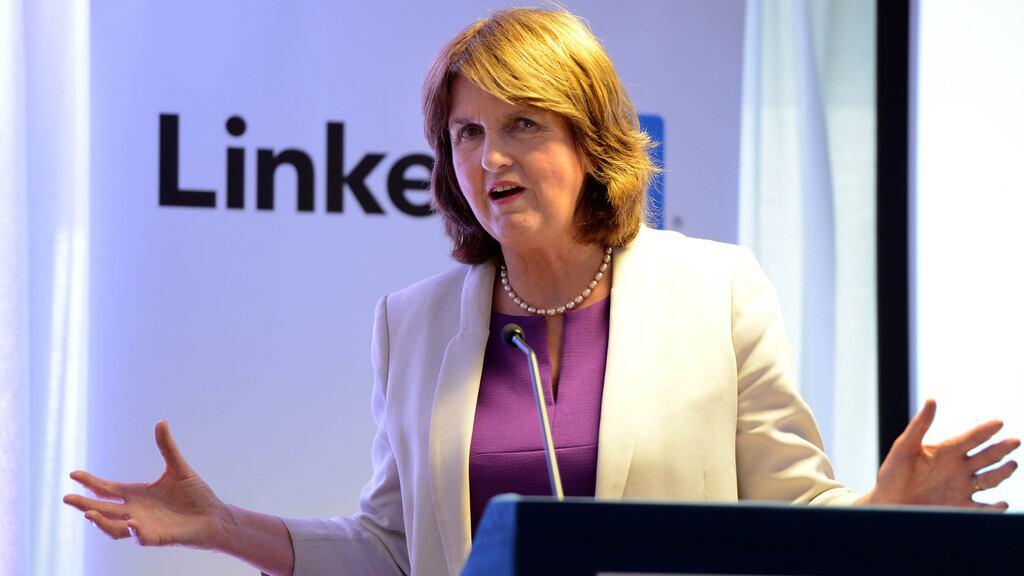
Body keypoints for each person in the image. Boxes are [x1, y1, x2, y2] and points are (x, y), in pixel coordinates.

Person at [63, 7, 1020, 576]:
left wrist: (883, 516)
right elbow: (392, 550)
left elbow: (788, 522)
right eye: (467, 134)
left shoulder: (717, 290)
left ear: (591, 140)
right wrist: (228, 528)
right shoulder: (414, 321)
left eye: (523, 124)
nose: (491, 158)